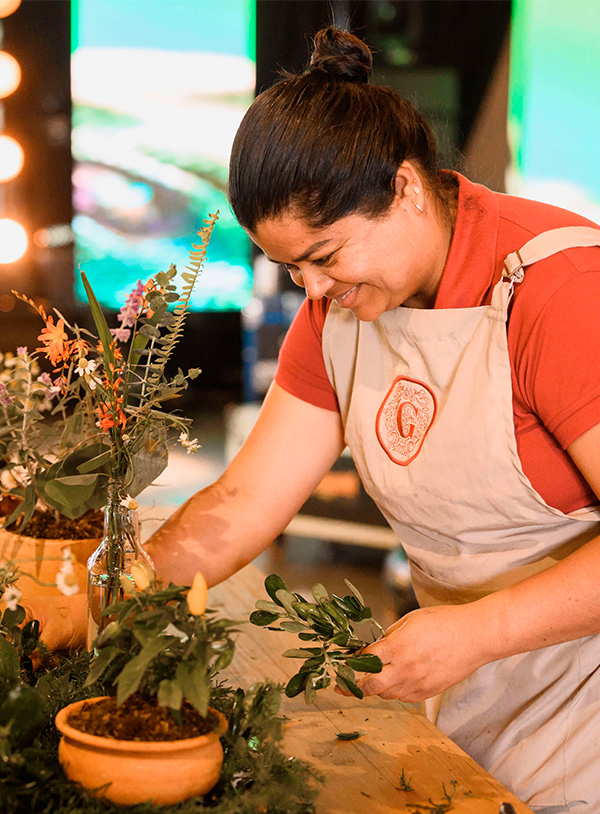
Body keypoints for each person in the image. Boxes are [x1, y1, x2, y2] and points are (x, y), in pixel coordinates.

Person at [146, 27, 600, 811]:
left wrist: (478, 632)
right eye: (290, 267)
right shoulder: (339, 316)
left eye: (326, 255)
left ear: (405, 188)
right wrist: (116, 589)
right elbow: (243, 503)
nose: (311, 291)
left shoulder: (559, 291)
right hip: (472, 693)